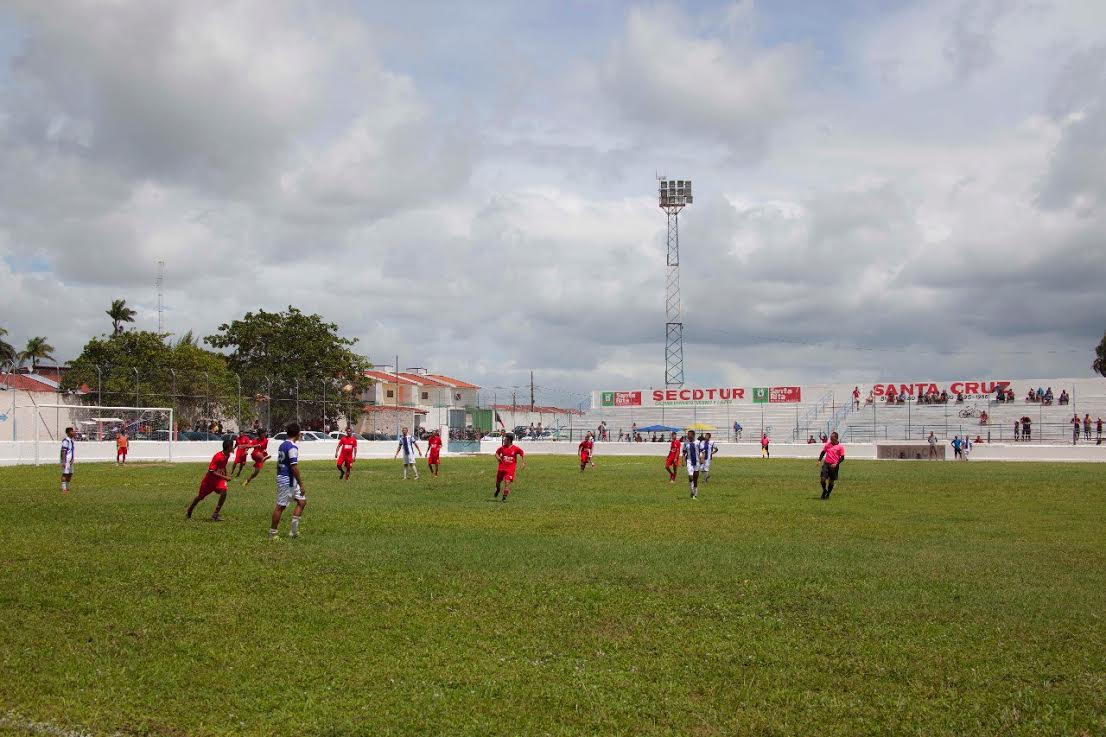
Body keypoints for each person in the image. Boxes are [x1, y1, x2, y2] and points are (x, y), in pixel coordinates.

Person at [269, 424, 307, 540]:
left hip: (288, 478)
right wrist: (301, 484)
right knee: (281, 506)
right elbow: (294, 467)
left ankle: (293, 532)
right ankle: (273, 534)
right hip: (287, 479)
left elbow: (278, 463)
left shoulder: (282, 445)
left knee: (302, 502)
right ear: (297, 434)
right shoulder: (292, 447)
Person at [187, 437, 234, 521]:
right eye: (232, 446)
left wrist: (226, 475)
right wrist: (225, 477)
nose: (233, 448)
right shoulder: (218, 456)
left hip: (219, 480)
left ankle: (215, 514)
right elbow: (211, 471)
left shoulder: (227, 455)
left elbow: (223, 466)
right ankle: (189, 510)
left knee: (224, 491)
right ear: (229, 447)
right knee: (200, 497)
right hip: (209, 481)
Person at [493, 433, 525, 501]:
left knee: (507, 483)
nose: (504, 440)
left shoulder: (515, 448)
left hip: (510, 469)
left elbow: (522, 452)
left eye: (505, 439)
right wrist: (498, 457)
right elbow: (496, 453)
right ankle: (498, 490)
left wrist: (522, 462)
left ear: (509, 440)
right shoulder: (502, 448)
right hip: (501, 468)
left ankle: (504, 497)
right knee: (497, 483)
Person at [818, 432, 845, 499]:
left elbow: (842, 457)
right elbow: (823, 452)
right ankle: (824, 490)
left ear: (836, 438)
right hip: (826, 464)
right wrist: (819, 460)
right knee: (823, 479)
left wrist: (836, 464)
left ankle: (828, 494)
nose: (830, 438)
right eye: (830, 437)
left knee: (831, 481)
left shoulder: (840, 447)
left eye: (832, 437)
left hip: (834, 466)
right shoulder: (828, 445)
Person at [682, 429, 701, 499]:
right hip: (689, 461)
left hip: (697, 461)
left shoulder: (698, 442)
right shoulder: (685, 443)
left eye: (689, 434)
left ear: (693, 435)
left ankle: (695, 492)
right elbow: (684, 452)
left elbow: (701, 451)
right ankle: (692, 491)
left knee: (695, 478)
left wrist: (702, 458)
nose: (687, 435)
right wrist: (683, 460)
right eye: (687, 434)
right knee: (690, 477)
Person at [60, 427, 76, 494]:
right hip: (66, 460)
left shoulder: (71, 440)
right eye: (72, 431)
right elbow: (63, 451)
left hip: (70, 460)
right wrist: (63, 461)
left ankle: (67, 487)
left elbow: (71, 451)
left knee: (70, 473)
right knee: (65, 474)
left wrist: (72, 458)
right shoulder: (66, 441)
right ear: (68, 433)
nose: (73, 432)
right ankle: (64, 489)